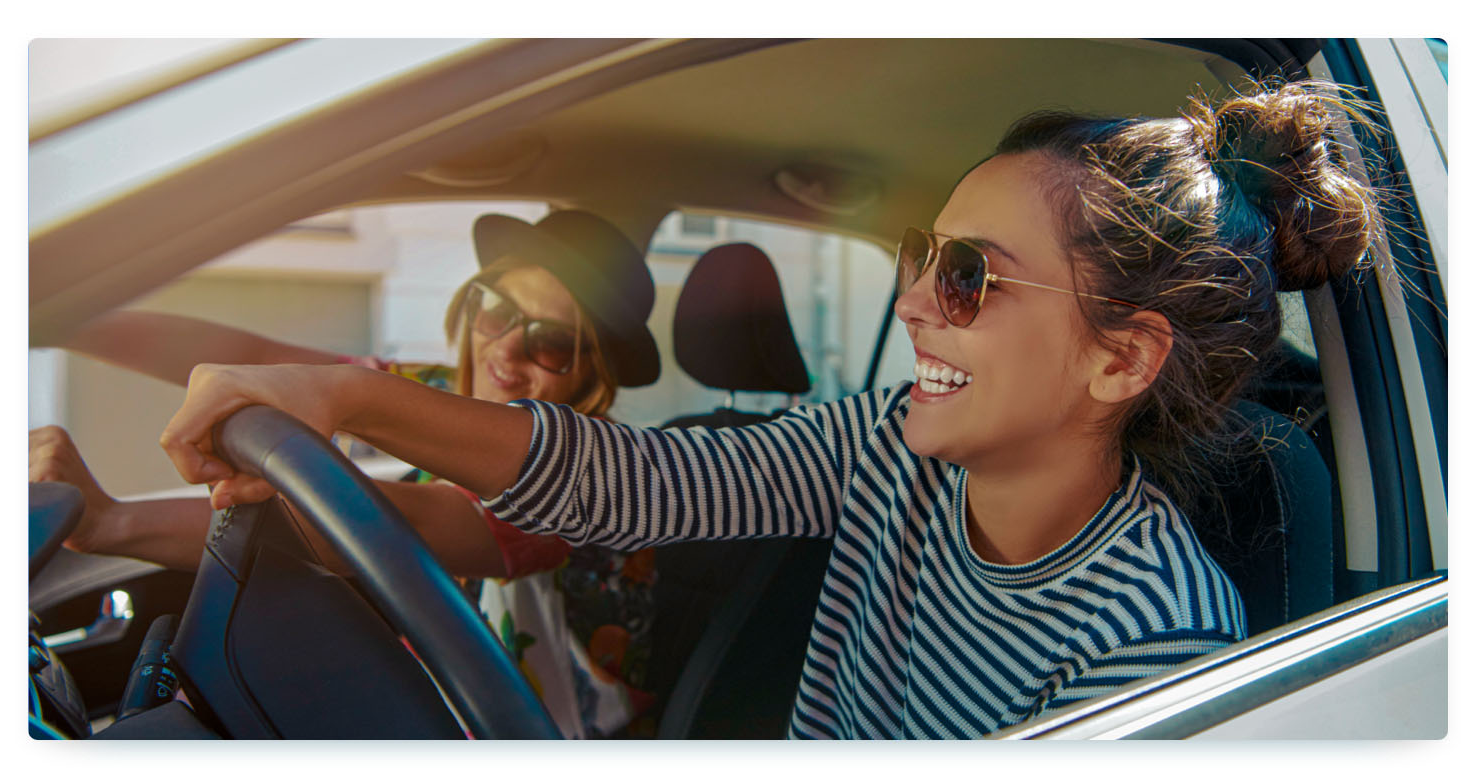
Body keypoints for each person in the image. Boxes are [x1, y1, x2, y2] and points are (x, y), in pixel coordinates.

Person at [155, 80, 1388, 738]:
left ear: (1119, 361)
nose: (912, 303)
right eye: (919, 254)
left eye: (965, 277)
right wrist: (335, 396)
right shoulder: (883, 448)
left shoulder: (1157, 632)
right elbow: (632, 481)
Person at [30, 210, 664, 738]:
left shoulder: (589, 479)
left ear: (590, 375)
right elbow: (258, 361)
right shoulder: (435, 392)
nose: (504, 351)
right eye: (495, 309)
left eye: (550, 341)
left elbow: (393, 522)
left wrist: (113, 519)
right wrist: (62, 316)